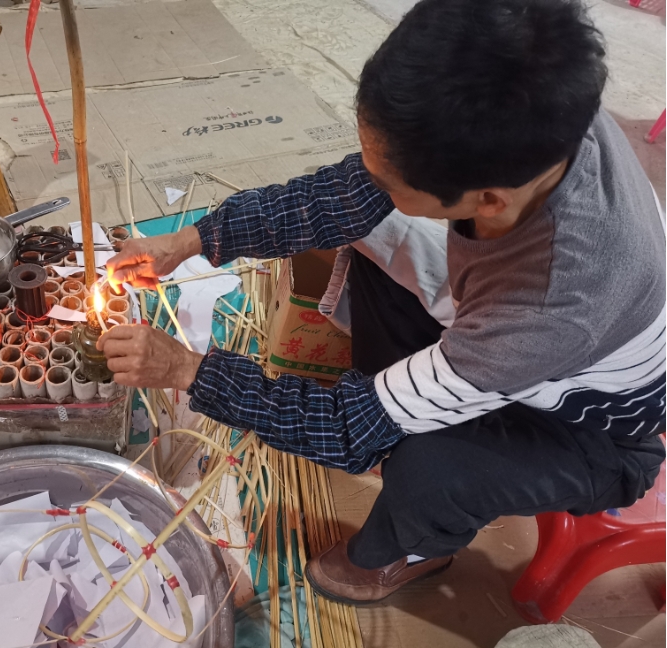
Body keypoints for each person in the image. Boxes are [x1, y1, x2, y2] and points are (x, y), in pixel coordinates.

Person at [98, 0, 666, 605]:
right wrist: (193, 240)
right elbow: (345, 196)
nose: (371, 179)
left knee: (427, 470)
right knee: (372, 240)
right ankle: (401, 408)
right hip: (535, 348)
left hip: (591, 433)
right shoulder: (533, 96)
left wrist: (187, 369)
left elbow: (347, 428)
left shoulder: (544, 310)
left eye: (390, 179)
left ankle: (415, 548)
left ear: (489, 200)